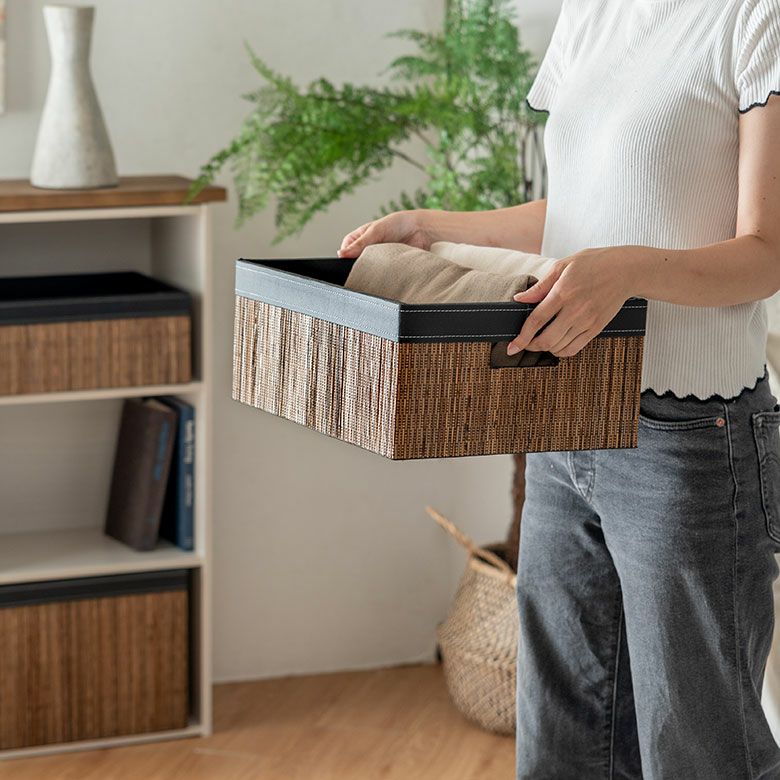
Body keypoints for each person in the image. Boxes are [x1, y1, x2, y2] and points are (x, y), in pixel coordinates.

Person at [339, 1, 780, 777]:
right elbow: (578, 210)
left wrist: (628, 270)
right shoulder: (592, 10)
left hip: (690, 441)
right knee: (564, 738)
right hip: (566, 411)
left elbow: (766, 252)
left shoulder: (754, 18)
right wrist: (433, 227)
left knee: (700, 750)